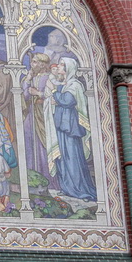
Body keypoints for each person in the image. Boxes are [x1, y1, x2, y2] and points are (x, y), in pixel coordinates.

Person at [45, 57, 97, 201]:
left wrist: (53, 90)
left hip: (70, 128)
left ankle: (80, 190)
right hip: (61, 126)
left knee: (72, 158)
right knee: (61, 158)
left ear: (69, 68)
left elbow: (67, 101)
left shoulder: (75, 85)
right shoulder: (64, 84)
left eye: (62, 65)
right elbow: (57, 100)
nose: (59, 67)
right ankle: (67, 188)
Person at [21, 53, 53, 182]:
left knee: (42, 145)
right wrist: (28, 80)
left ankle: (47, 177)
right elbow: (25, 96)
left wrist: (38, 93)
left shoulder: (50, 78)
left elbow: (54, 96)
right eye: (32, 61)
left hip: (44, 115)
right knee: (29, 140)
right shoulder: (32, 78)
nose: (31, 64)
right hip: (31, 114)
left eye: (34, 62)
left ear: (43, 64)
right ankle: (32, 176)